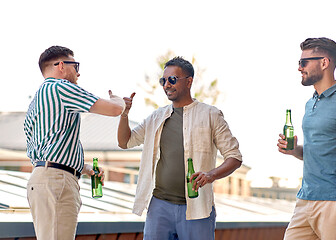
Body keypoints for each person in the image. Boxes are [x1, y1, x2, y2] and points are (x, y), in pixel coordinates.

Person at [117, 56, 242, 240]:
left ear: (189, 81)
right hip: (159, 207)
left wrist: (211, 175)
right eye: (163, 80)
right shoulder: (155, 117)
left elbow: (234, 157)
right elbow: (125, 142)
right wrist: (124, 114)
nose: (167, 84)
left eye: (172, 79)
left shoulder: (211, 115)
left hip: (198, 209)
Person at [24, 46, 125, 240]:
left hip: (42, 179)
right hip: (57, 181)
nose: (78, 73)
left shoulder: (37, 100)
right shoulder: (61, 88)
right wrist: (118, 100)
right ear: (61, 65)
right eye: (75, 66)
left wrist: (83, 168)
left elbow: (47, 148)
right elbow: (114, 110)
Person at [277, 37, 336, 240]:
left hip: (335, 204)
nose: (299, 68)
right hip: (305, 200)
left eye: (304, 62)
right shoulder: (310, 103)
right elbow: (320, 153)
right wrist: (294, 150)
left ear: (324, 62)